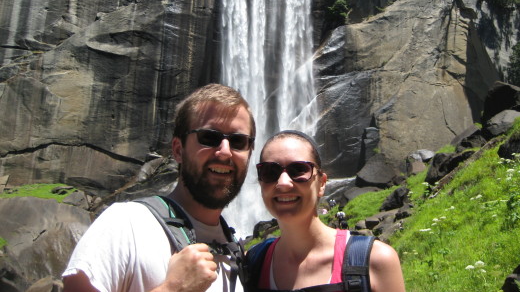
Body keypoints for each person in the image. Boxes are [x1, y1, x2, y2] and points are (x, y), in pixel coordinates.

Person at [62, 83, 256, 292]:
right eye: (209, 137)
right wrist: (173, 288)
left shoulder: (238, 258)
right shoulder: (125, 224)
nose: (225, 152)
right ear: (178, 150)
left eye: (238, 141)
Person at [248, 130, 405, 292]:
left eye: (298, 169)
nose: (283, 183)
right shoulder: (253, 264)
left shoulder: (376, 260)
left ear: (322, 183)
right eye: (269, 172)